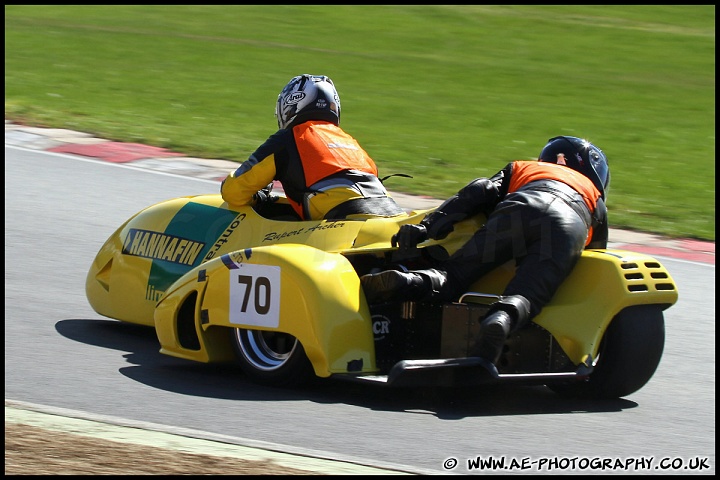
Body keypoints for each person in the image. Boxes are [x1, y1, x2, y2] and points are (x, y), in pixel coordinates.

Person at [361, 136, 610, 366]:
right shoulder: (594, 194)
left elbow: (481, 189)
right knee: (526, 296)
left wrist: (427, 227)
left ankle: (409, 280)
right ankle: (500, 319)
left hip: (519, 208)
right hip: (568, 223)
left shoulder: (523, 167)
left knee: (455, 276)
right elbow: (597, 256)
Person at [221, 74, 405, 221]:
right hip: (391, 213)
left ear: (289, 106)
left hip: (344, 221)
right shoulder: (350, 141)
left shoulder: (289, 138)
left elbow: (233, 192)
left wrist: (258, 197)